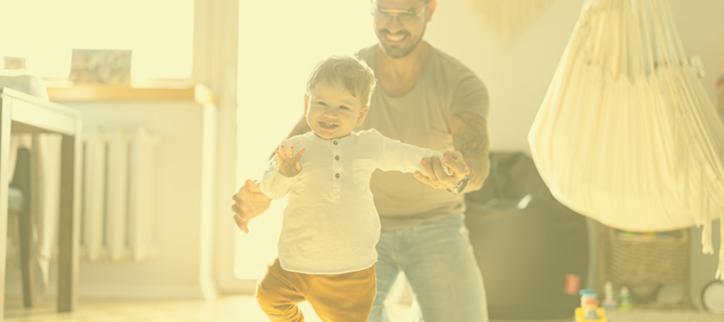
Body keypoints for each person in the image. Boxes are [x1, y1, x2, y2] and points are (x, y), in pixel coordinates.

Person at [233, 0, 491, 321]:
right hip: (354, 237)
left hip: (437, 225)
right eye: (384, 10)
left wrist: (459, 177)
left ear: (431, 9)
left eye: (407, 13)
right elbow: (295, 146)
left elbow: (477, 165)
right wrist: (264, 189)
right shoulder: (348, 75)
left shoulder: (460, 82)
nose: (393, 25)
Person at [253, 55, 462, 322]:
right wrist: (284, 174)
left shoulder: (368, 145)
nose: (330, 113)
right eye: (321, 103)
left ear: (361, 114)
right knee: (267, 296)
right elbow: (271, 190)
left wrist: (441, 161)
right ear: (307, 104)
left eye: (343, 107)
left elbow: (405, 155)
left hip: (350, 271)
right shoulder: (294, 148)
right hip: (295, 264)